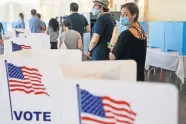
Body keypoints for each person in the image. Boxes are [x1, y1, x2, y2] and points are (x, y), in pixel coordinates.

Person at [109, 3, 147, 81]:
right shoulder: (142, 32)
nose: (122, 17)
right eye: (121, 14)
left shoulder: (126, 34)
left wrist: (111, 46)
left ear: (133, 16)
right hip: (139, 77)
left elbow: (112, 57)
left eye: (125, 14)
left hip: (126, 77)